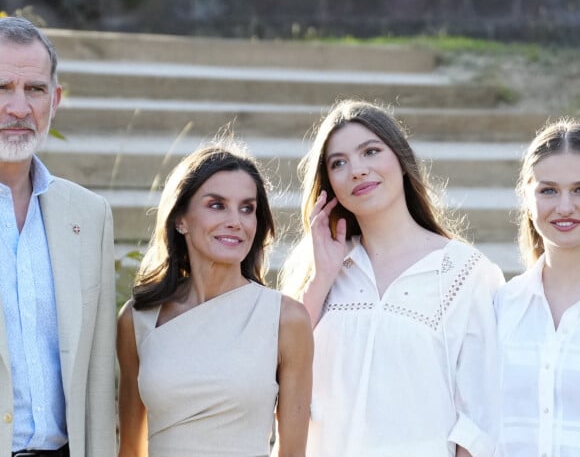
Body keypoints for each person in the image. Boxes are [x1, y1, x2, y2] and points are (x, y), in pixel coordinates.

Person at [280, 99, 504, 457]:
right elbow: (283, 374)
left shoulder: (466, 272)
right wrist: (321, 277)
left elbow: (479, 419)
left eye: (370, 151)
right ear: (329, 186)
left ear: (401, 161)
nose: (357, 170)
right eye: (339, 163)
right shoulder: (323, 273)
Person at [116, 143, 313, 457]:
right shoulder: (137, 319)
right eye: (217, 205)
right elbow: (130, 449)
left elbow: (292, 453)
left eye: (247, 208)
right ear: (180, 219)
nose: (236, 220)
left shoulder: (286, 319)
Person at [0, 16, 116, 456]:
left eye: (34, 90)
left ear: (55, 99)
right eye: (1, 88)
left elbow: (99, 374)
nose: (18, 107)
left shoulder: (90, 215)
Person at [495, 118, 580, 456]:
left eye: (579, 190)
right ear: (527, 200)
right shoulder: (501, 306)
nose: (564, 207)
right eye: (548, 190)